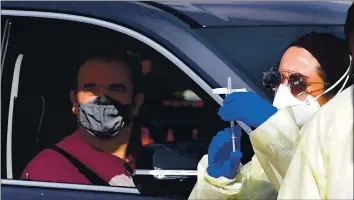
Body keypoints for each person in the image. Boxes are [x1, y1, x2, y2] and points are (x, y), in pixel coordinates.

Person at [189, 32, 352, 199]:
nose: (283, 90)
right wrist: (219, 183)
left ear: (337, 90)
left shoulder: (346, 145)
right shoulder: (268, 155)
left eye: (297, 82)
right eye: (277, 79)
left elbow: (308, 183)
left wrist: (275, 130)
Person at [21, 45, 151, 187]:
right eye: (90, 88)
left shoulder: (146, 162)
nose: (103, 99)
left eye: (116, 88)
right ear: (74, 101)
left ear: (137, 103)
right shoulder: (48, 172)